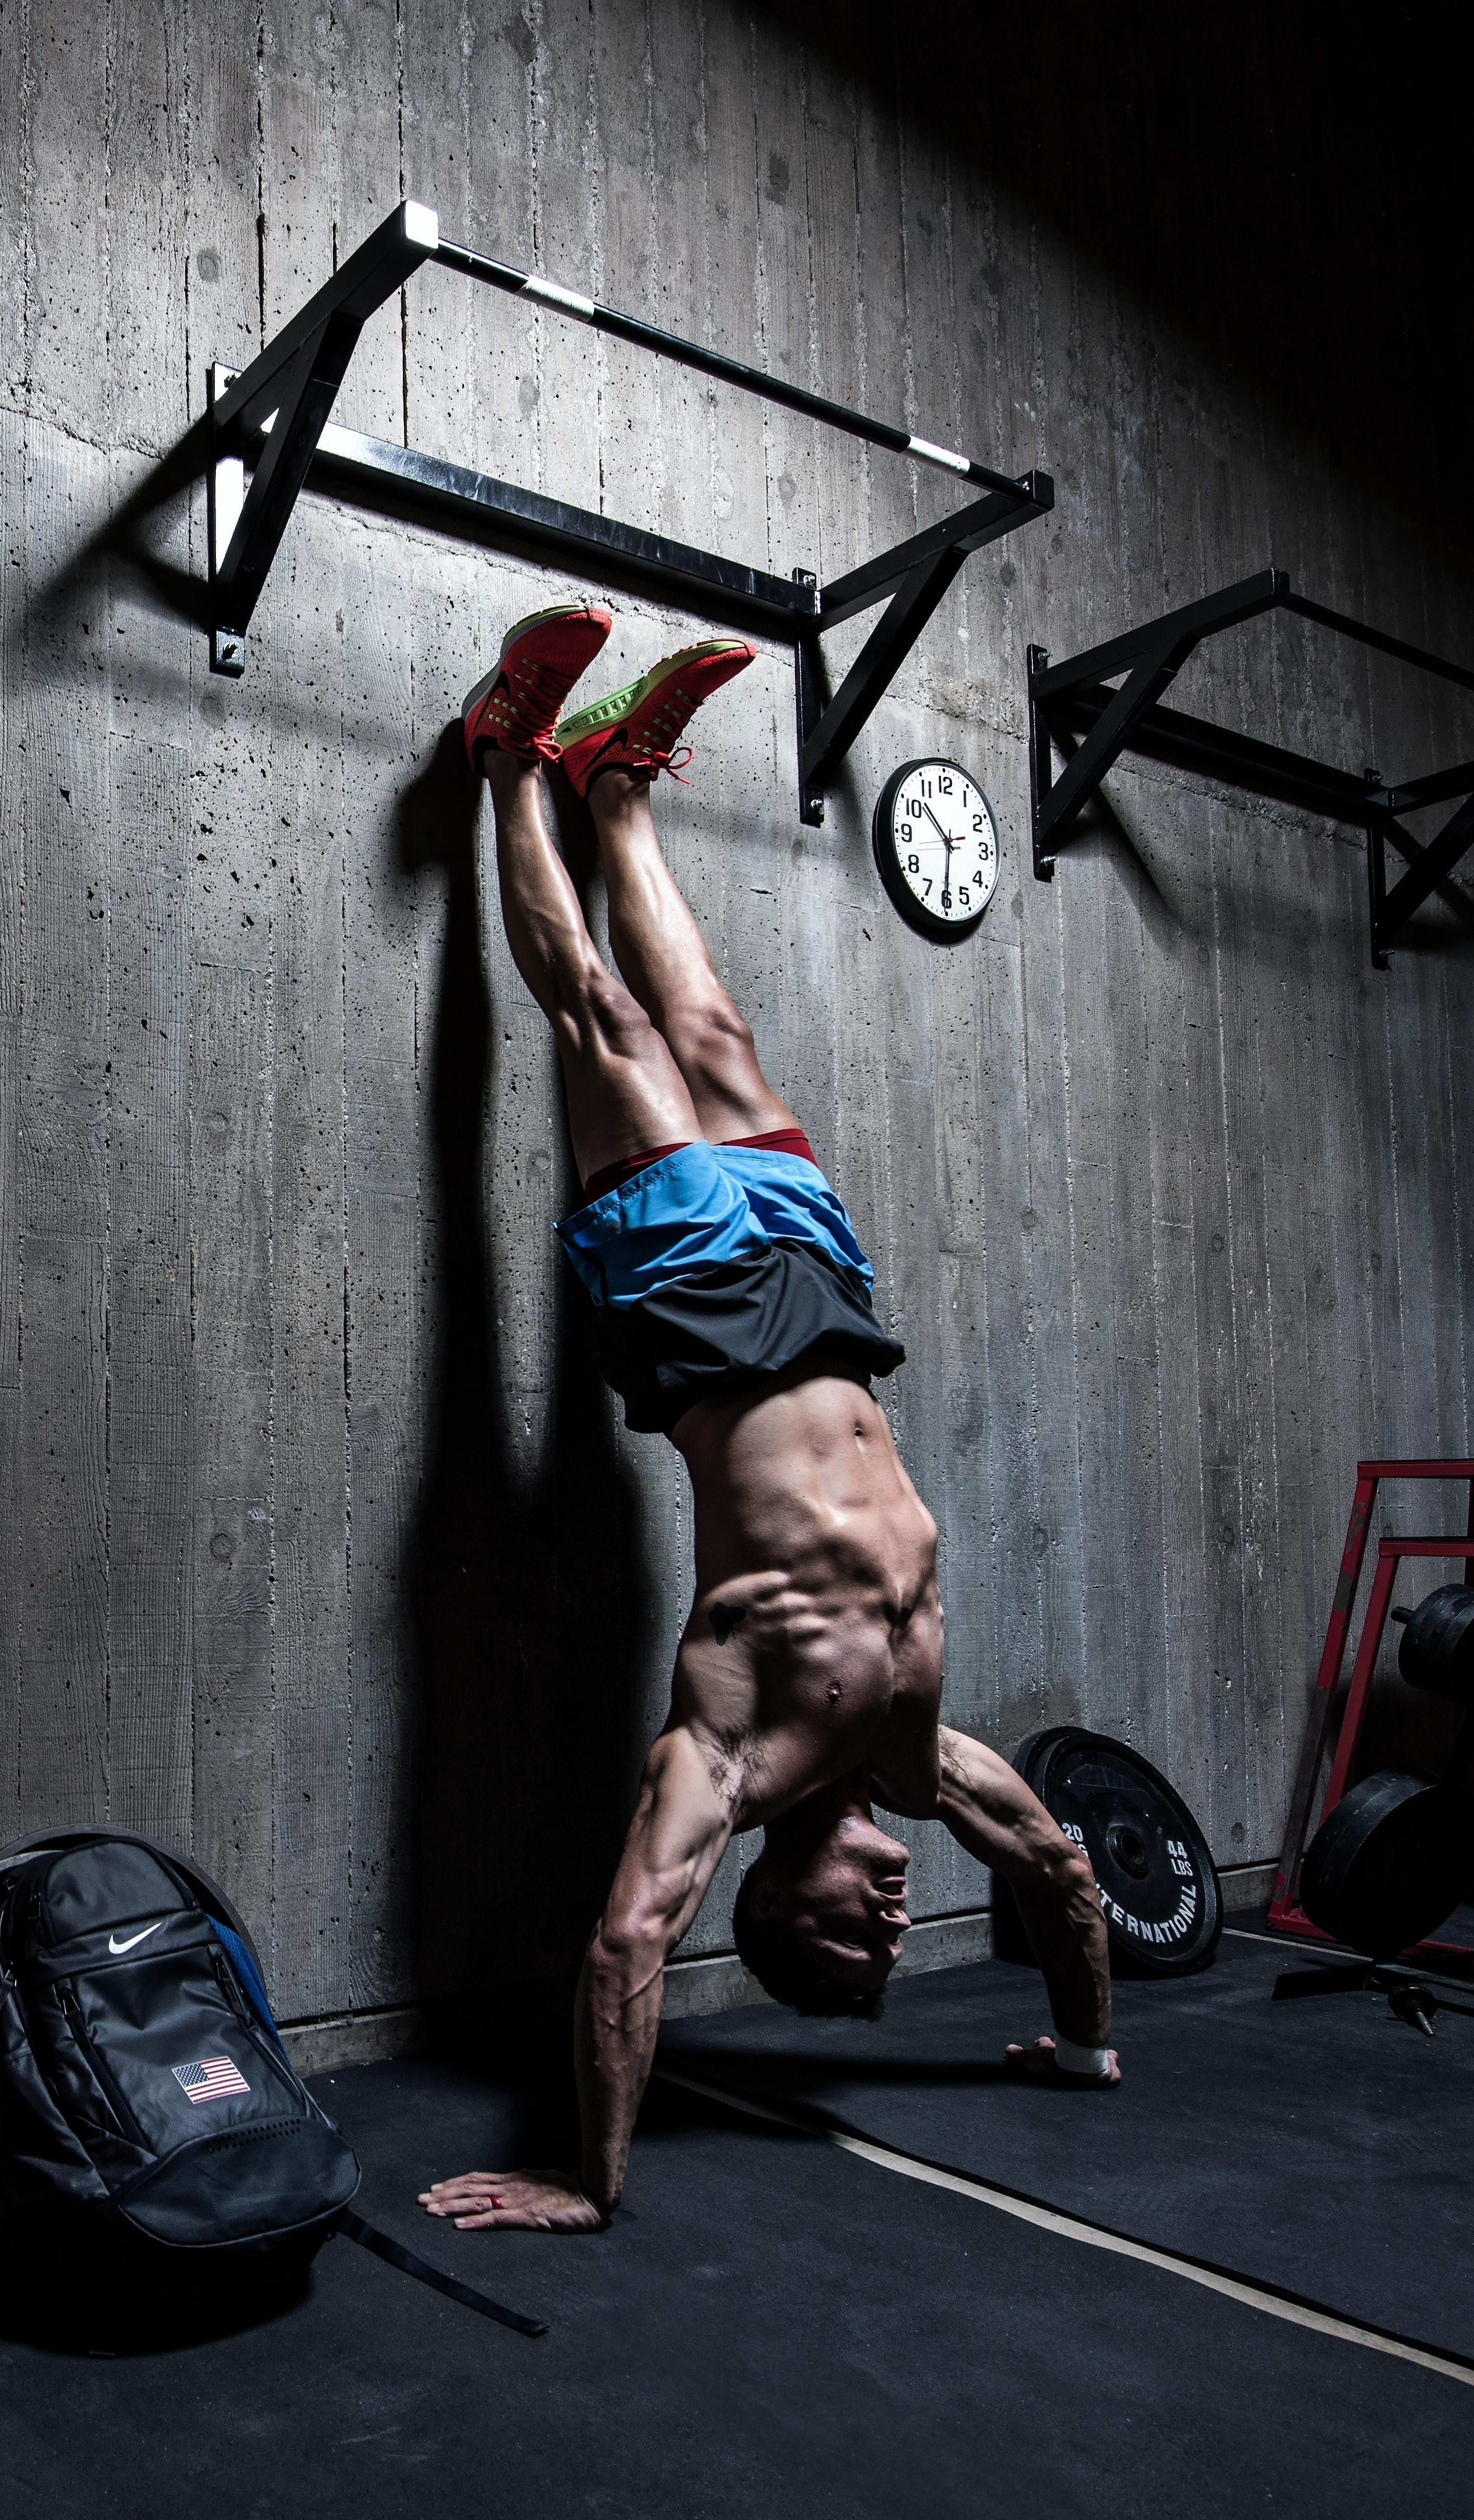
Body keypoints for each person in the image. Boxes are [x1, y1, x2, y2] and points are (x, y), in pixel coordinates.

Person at [416, 604, 1120, 2241]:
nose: (887, 1914)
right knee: (716, 1029)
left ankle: (504, 758)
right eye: (888, 1938)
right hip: (828, 1304)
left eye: (844, 1936)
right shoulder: (913, 1760)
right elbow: (1064, 1874)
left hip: (701, 1336)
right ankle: (617, 793)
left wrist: (590, 2176)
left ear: (773, 1902)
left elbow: (622, 1944)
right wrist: (1082, 2044)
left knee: (604, 1021)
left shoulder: (720, 1761)